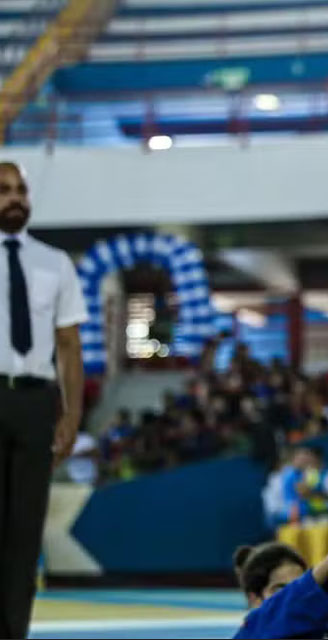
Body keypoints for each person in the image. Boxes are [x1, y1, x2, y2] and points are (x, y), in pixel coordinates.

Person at [0, 161, 88, 638]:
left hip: (35, 403)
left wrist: (71, 415)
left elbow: (69, 344)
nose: (15, 198)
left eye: (20, 190)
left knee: (25, 531)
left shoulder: (54, 263)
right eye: (4, 190)